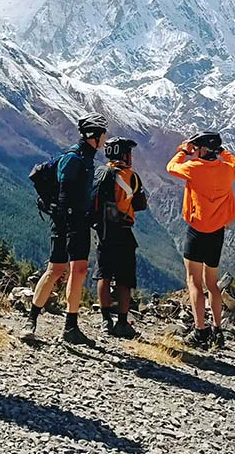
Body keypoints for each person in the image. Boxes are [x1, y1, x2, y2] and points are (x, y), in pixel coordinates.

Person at [22, 113, 107, 345]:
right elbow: (64, 193)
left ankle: (71, 326)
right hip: (64, 221)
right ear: (94, 135)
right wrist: (66, 218)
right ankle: (31, 320)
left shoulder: (87, 157)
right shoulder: (74, 157)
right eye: (103, 134)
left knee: (79, 271)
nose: (105, 139)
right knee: (55, 269)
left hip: (79, 221)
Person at [165, 131, 235, 348]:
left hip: (197, 230)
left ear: (200, 149)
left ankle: (200, 330)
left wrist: (183, 151)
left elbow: (171, 167)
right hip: (217, 231)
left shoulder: (193, 168)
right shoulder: (228, 170)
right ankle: (218, 330)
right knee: (212, 283)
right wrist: (223, 152)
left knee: (194, 282)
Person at [92, 137, 148, 339]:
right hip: (123, 231)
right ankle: (122, 323)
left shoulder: (99, 173)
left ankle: (105, 320)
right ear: (124, 155)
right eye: (129, 153)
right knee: (124, 279)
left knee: (103, 275)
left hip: (104, 231)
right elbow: (141, 204)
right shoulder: (131, 176)